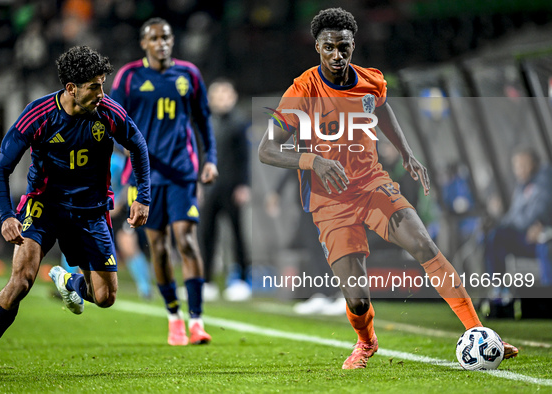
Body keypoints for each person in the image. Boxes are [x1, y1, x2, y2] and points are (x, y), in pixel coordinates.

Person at [257, 8, 518, 369]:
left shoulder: (371, 81)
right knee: (358, 299)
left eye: (344, 47)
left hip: (373, 184)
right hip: (330, 201)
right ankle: (366, 342)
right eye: (329, 47)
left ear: (353, 44)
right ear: (317, 47)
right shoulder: (303, 91)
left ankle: (480, 332)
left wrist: (407, 153)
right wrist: (312, 161)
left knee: (424, 245)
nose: (337, 55)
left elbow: (382, 109)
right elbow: (267, 150)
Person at [0, 45, 151, 376]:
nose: (101, 93)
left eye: (103, 84)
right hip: (44, 205)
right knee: (21, 280)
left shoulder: (108, 112)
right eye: (95, 86)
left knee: (105, 297)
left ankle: (69, 282)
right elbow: (1, 168)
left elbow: (138, 146)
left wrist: (142, 196)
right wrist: (7, 215)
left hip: (91, 210)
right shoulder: (39, 115)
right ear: (71, 88)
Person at [111, 17, 218, 346]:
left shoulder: (189, 74)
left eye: (166, 37)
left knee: (185, 240)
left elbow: (202, 119)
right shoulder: (129, 77)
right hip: (142, 179)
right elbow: (111, 121)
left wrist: (210, 159)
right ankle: (174, 317)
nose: (162, 43)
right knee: (157, 246)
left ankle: (197, 320)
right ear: (144, 43)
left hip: (182, 172)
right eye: (154, 38)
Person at [199, 79, 251, 302]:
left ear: (233, 97)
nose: (222, 99)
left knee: (236, 234)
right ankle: (207, 281)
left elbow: (245, 158)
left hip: (232, 188)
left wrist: (243, 185)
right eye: (217, 95)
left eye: (225, 95)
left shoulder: (239, 123)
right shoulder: (206, 122)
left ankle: (242, 280)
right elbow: (200, 156)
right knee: (207, 235)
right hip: (210, 188)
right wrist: (198, 185)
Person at [484, 147, 552, 303]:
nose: (519, 170)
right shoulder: (522, 186)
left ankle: (547, 295)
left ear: (534, 164)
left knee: (545, 246)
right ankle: (499, 288)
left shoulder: (542, 183)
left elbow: (533, 216)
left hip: (539, 236)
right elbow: (514, 216)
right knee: (494, 236)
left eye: (523, 165)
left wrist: (508, 223)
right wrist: (501, 220)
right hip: (524, 235)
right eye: (516, 166)